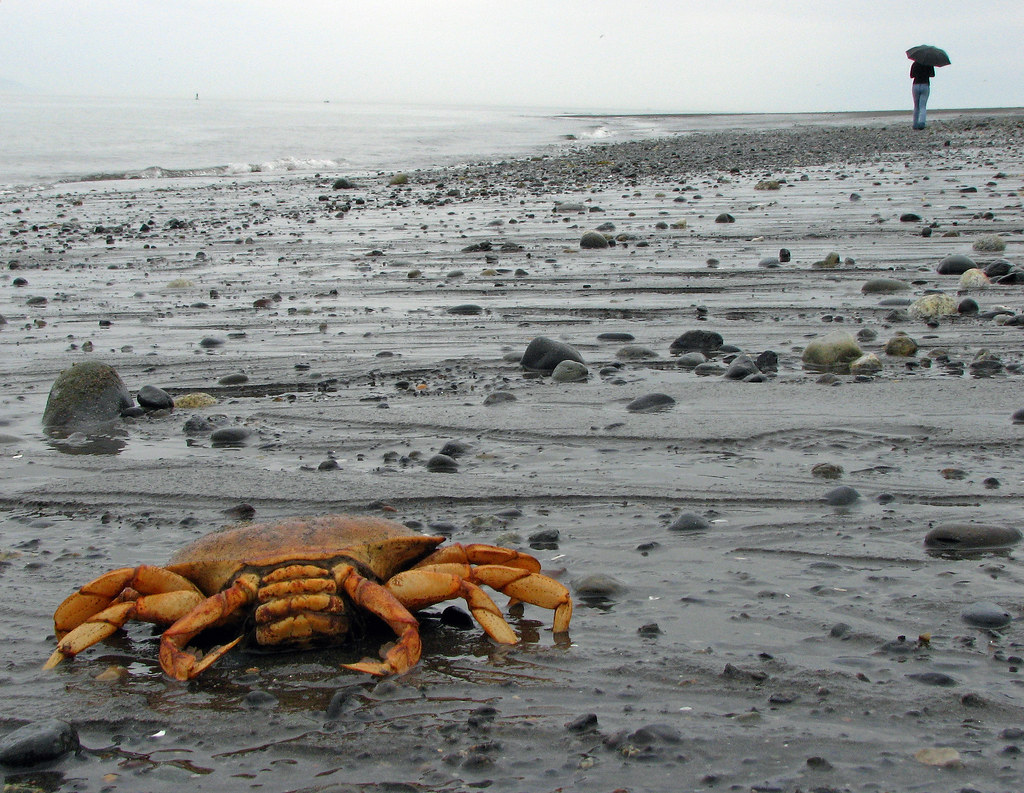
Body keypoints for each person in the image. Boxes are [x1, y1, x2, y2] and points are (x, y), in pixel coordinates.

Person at [910, 61, 935, 129]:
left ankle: (915, 124)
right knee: (923, 106)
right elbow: (932, 75)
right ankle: (921, 123)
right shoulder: (929, 64)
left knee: (916, 106)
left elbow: (911, 76)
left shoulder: (915, 64)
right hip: (925, 84)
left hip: (916, 85)